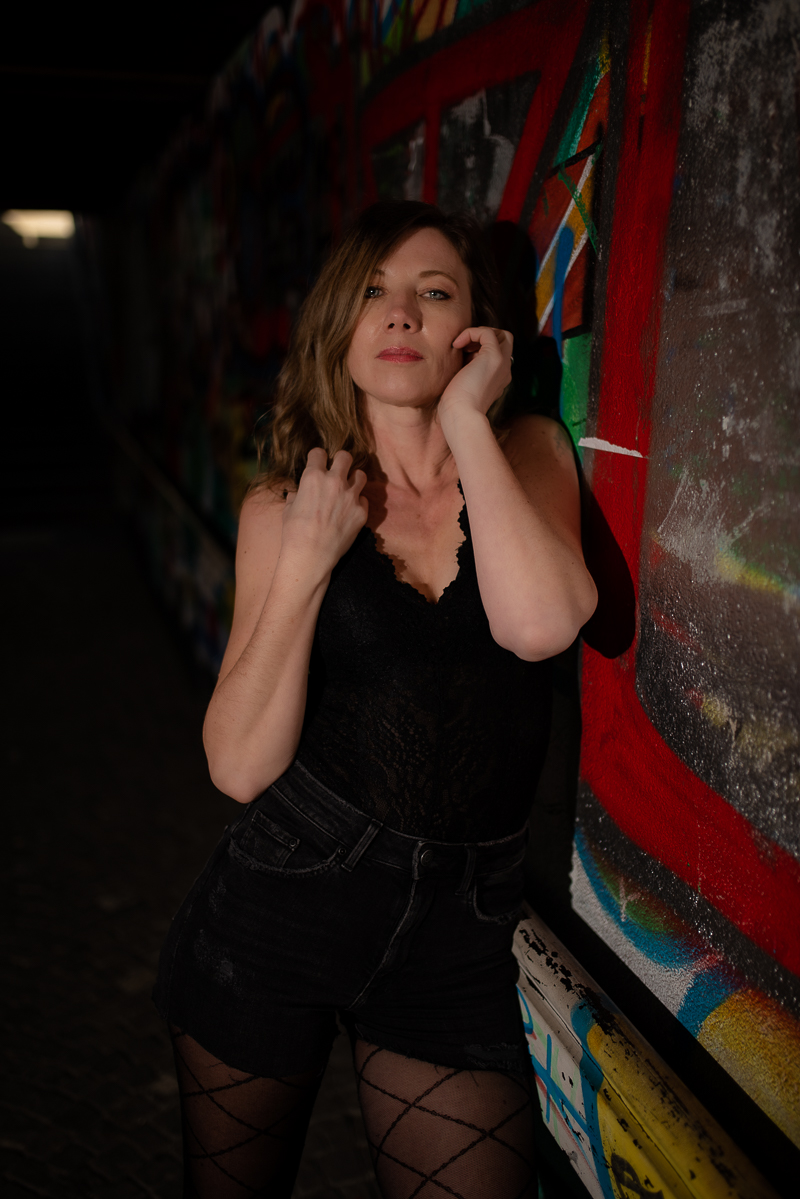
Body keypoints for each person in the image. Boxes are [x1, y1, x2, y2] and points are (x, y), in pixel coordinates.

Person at [153, 200, 597, 1198]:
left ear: (473, 330)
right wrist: (308, 560)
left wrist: (464, 424)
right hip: (282, 906)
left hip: (457, 937)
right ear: (339, 328)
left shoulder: (526, 450)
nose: (400, 312)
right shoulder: (287, 505)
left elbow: (540, 625)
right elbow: (238, 765)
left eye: (433, 292)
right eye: (371, 292)